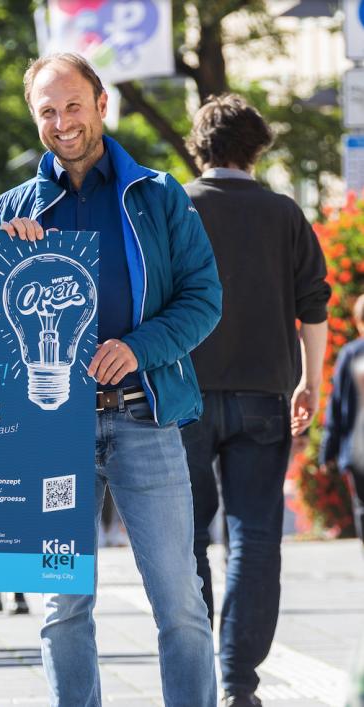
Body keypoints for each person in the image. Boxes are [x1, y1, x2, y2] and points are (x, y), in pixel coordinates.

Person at [0, 53, 221, 706]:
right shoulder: (12, 210)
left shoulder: (159, 195)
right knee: (62, 602)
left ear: (101, 104)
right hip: (52, 434)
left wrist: (138, 347)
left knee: (179, 598)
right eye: (47, 110)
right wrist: (7, 259)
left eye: (73, 105)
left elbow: (204, 298)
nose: (62, 121)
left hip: (145, 417)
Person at [179, 93, 330, 707]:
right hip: (265, 394)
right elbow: (313, 304)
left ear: (200, 146)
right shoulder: (284, 213)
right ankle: (238, 685)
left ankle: (196, 680)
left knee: (186, 539)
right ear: (257, 147)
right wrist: (310, 381)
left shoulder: (176, 206)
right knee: (255, 537)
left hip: (183, 394)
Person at [322, 296, 364, 544]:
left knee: (362, 507)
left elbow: (337, 403)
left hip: (357, 449)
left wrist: (329, 449)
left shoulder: (351, 353)